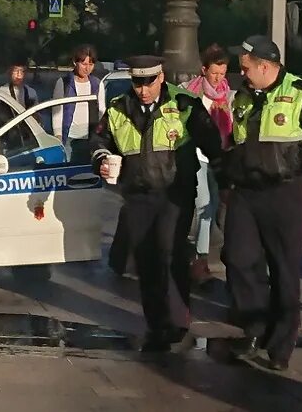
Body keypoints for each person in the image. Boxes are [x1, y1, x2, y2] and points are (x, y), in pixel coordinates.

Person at [90, 56, 225, 352]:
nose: (143, 90)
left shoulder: (185, 104)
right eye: (137, 83)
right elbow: (99, 142)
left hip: (175, 193)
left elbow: (211, 141)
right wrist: (100, 159)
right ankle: (156, 322)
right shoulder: (117, 108)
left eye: (148, 82)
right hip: (138, 193)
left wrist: (223, 176)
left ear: (160, 78)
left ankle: (177, 320)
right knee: (146, 258)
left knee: (170, 250)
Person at [221, 36, 302, 370]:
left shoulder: (301, 92)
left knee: (285, 267)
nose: (240, 73)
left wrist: (295, 165)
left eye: (245, 67)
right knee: (238, 259)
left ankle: (281, 345)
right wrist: (228, 174)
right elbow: (234, 141)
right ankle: (254, 329)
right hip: (246, 190)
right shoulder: (242, 96)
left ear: (265, 66)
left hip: (284, 191)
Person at [184, 44, 235, 283]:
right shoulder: (191, 92)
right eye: (214, 73)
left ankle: (200, 254)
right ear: (204, 70)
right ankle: (200, 260)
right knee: (202, 203)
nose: (218, 78)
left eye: (222, 73)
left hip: (219, 156)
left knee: (213, 207)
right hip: (196, 156)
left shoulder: (228, 95)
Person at [52, 44, 101, 164]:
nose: (87, 68)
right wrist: (58, 136)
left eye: (91, 64)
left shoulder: (97, 84)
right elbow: (57, 111)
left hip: (89, 138)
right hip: (69, 138)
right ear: (75, 62)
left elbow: (102, 111)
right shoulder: (64, 83)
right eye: (84, 64)